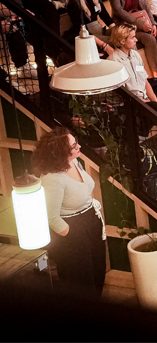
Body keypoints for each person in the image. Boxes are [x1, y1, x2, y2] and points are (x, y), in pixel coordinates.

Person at [33, 127, 105, 299]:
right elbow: (51, 218)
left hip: (91, 221)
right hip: (73, 230)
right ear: (60, 153)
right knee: (81, 283)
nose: (78, 146)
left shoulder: (73, 161)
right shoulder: (52, 178)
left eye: (76, 142)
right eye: (73, 146)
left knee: (98, 271)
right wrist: (73, 235)